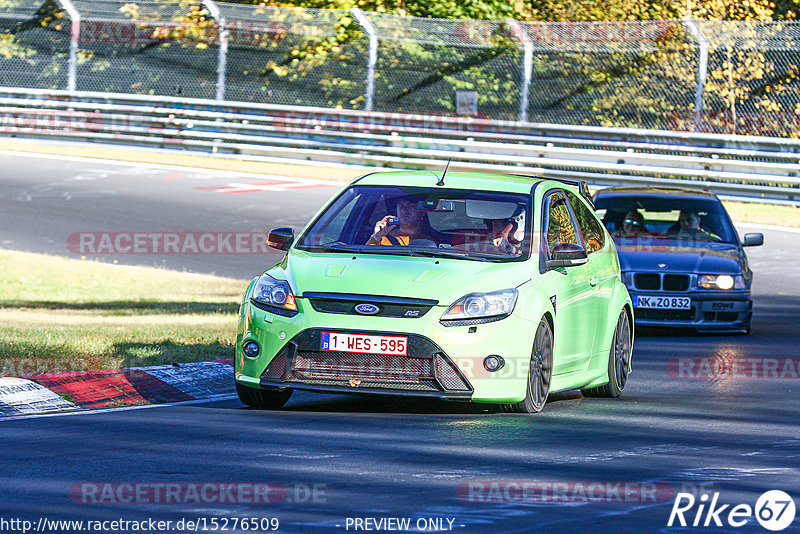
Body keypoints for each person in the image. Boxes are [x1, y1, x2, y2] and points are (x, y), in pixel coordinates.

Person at [366, 197, 437, 246]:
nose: (404, 211)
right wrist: (376, 236)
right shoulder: (384, 237)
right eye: (400, 206)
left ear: (422, 212)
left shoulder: (429, 241)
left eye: (410, 206)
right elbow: (366, 259)